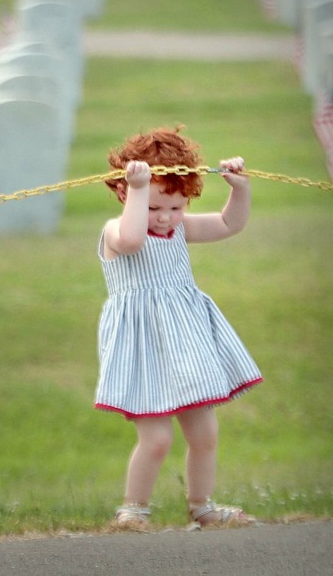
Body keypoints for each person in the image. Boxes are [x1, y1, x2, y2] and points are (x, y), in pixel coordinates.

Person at [96, 127, 261, 532]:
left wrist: (239, 189)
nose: (166, 217)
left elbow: (228, 224)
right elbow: (134, 240)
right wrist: (139, 191)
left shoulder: (180, 228)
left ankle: (201, 505)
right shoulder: (115, 231)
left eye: (175, 206)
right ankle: (133, 509)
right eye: (154, 208)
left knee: (205, 432)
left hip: (186, 342)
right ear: (124, 193)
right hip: (142, 346)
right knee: (157, 439)